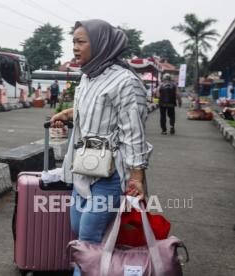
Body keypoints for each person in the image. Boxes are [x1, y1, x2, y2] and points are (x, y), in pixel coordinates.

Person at [50, 20, 152, 276]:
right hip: (82, 168)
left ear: (101, 43)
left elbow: (134, 133)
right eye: (73, 41)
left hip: (109, 174)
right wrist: (67, 113)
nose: (75, 47)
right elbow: (91, 111)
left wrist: (137, 176)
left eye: (81, 41)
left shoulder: (126, 82)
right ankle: (107, 267)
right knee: (77, 225)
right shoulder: (88, 76)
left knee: (88, 236)